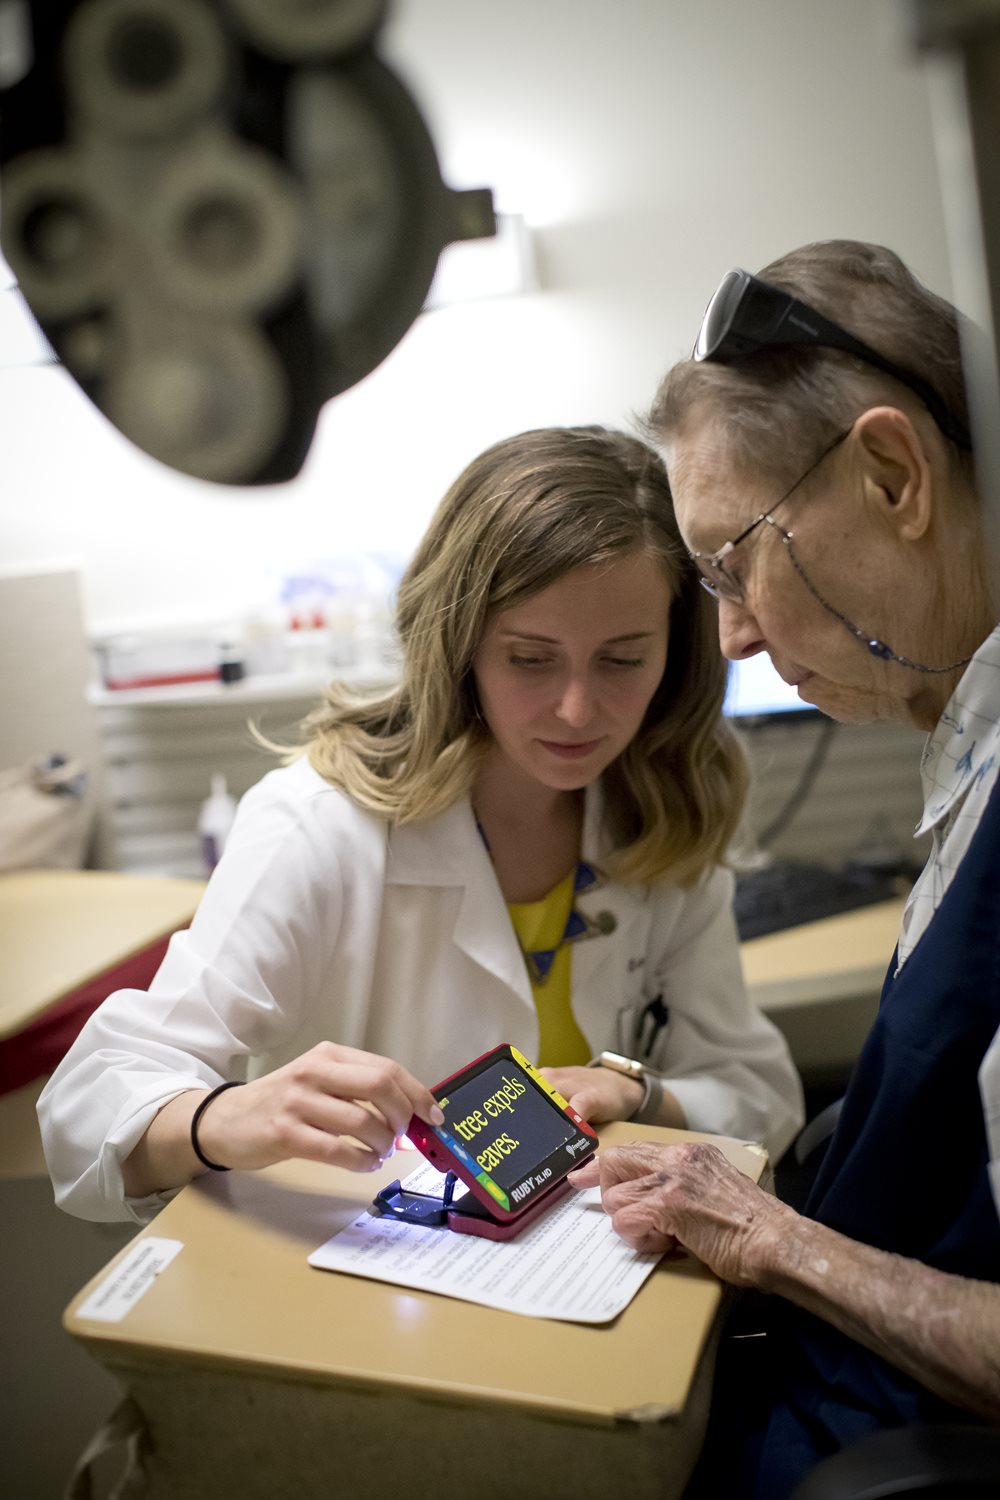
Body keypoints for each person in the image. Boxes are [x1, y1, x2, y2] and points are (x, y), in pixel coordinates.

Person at [38, 425, 803, 1225]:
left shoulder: (661, 820)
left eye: (622, 659)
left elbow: (759, 1095)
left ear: (677, 654)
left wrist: (644, 1094)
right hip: (367, 1285)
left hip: (584, 1270)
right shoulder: (319, 828)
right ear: (460, 643)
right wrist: (223, 1118)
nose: (579, 709)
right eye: (530, 659)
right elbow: (86, 1108)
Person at [570, 242, 1000, 1497]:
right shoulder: (967, 754)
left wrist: (771, 1241)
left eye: (736, 560)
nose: (737, 635)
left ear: (891, 476)